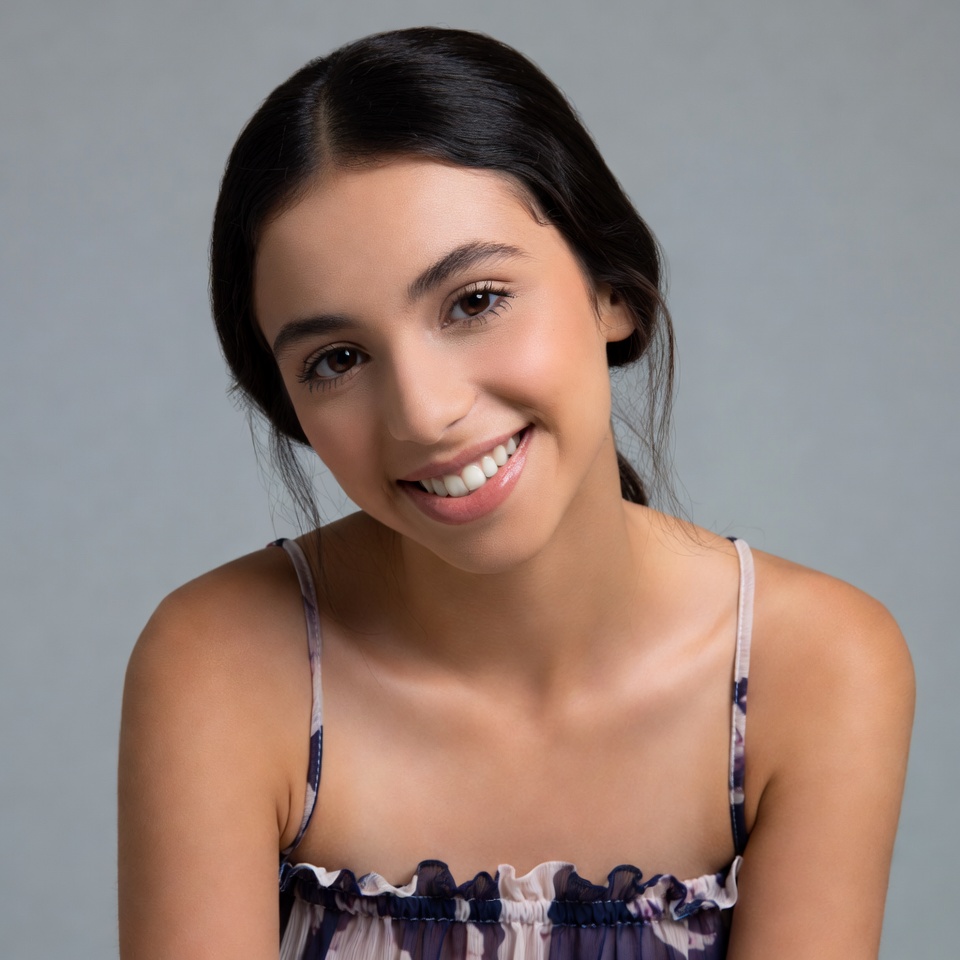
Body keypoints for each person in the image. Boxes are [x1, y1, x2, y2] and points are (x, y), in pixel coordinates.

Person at [117, 27, 914, 960]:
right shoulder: (224, 665)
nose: (423, 413)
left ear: (610, 289)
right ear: (291, 406)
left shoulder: (814, 668)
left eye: (475, 300)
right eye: (338, 359)